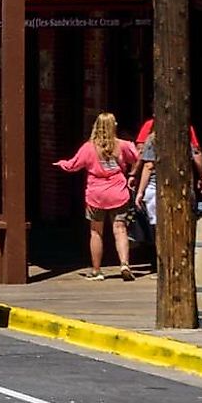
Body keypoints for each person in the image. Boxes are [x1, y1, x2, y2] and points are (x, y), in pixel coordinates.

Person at [55, 112, 142, 280]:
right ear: (113, 126)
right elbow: (136, 158)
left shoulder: (88, 147)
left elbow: (73, 165)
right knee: (120, 229)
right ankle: (124, 263)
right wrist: (132, 174)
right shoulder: (122, 145)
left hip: (96, 194)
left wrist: (62, 163)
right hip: (118, 192)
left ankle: (97, 270)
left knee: (96, 232)